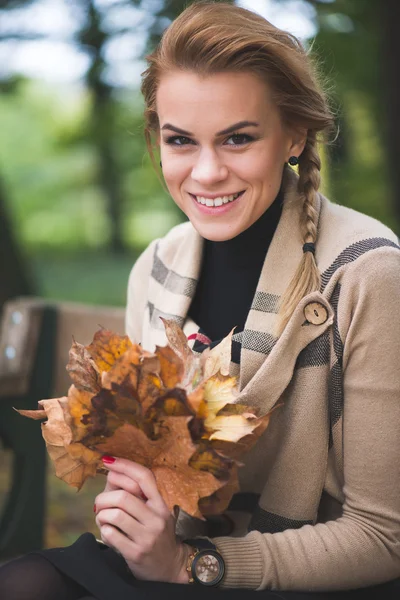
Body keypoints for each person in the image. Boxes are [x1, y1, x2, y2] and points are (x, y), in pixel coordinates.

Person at [1, 2, 399, 599]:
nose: (207, 172)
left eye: (238, 138)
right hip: (177, 557)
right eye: (181, 140)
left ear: (293, 134)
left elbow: (382, 535)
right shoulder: (157, 268)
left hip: (310, 574)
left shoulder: (367, 275)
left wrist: (192, 566)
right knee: (24, 584)